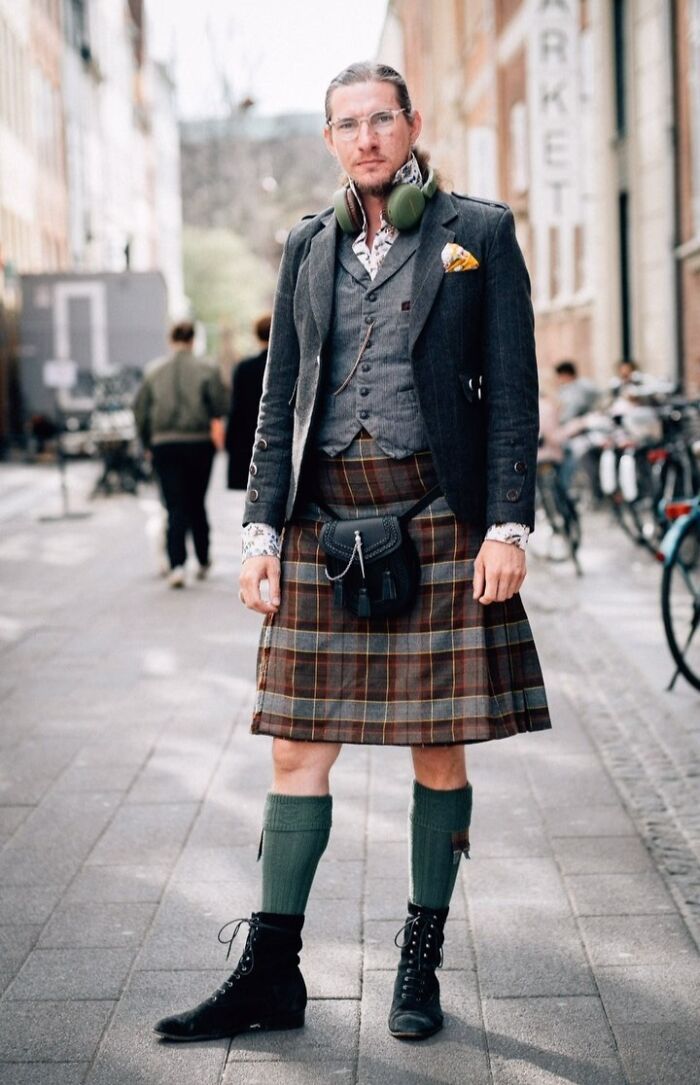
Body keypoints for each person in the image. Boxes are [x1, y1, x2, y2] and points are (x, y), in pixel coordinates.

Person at [154, 62, 550, 1045]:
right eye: (347, 123)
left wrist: (507, 524)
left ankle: (420, 959)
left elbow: (512, 388)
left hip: (438, 513)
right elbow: (279, 398)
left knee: (437, 741)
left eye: (381, 118)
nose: (366, 137)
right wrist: (259, 531)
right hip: (322, 519)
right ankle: (270, 972)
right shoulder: (306, 243)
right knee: (295, 746)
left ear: (410, 124)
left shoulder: (479, 232)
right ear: (329, 138)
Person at [133, 321, 227, 588]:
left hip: (164, 444)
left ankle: (177, 566)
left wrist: (147, 442)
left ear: (170, 340)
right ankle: (203, 558)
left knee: (174, 504)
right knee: (197, 501)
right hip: (198, 443)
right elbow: (220, 405)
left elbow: (140, 409)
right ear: (193, 340)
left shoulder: (154, 371)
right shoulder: (208, 368)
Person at [226, 314, 271, 490]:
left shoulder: (244, 368)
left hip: (248, 440)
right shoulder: (290, 365)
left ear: (256, 335)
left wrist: (230, 442)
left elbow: (236, 407)